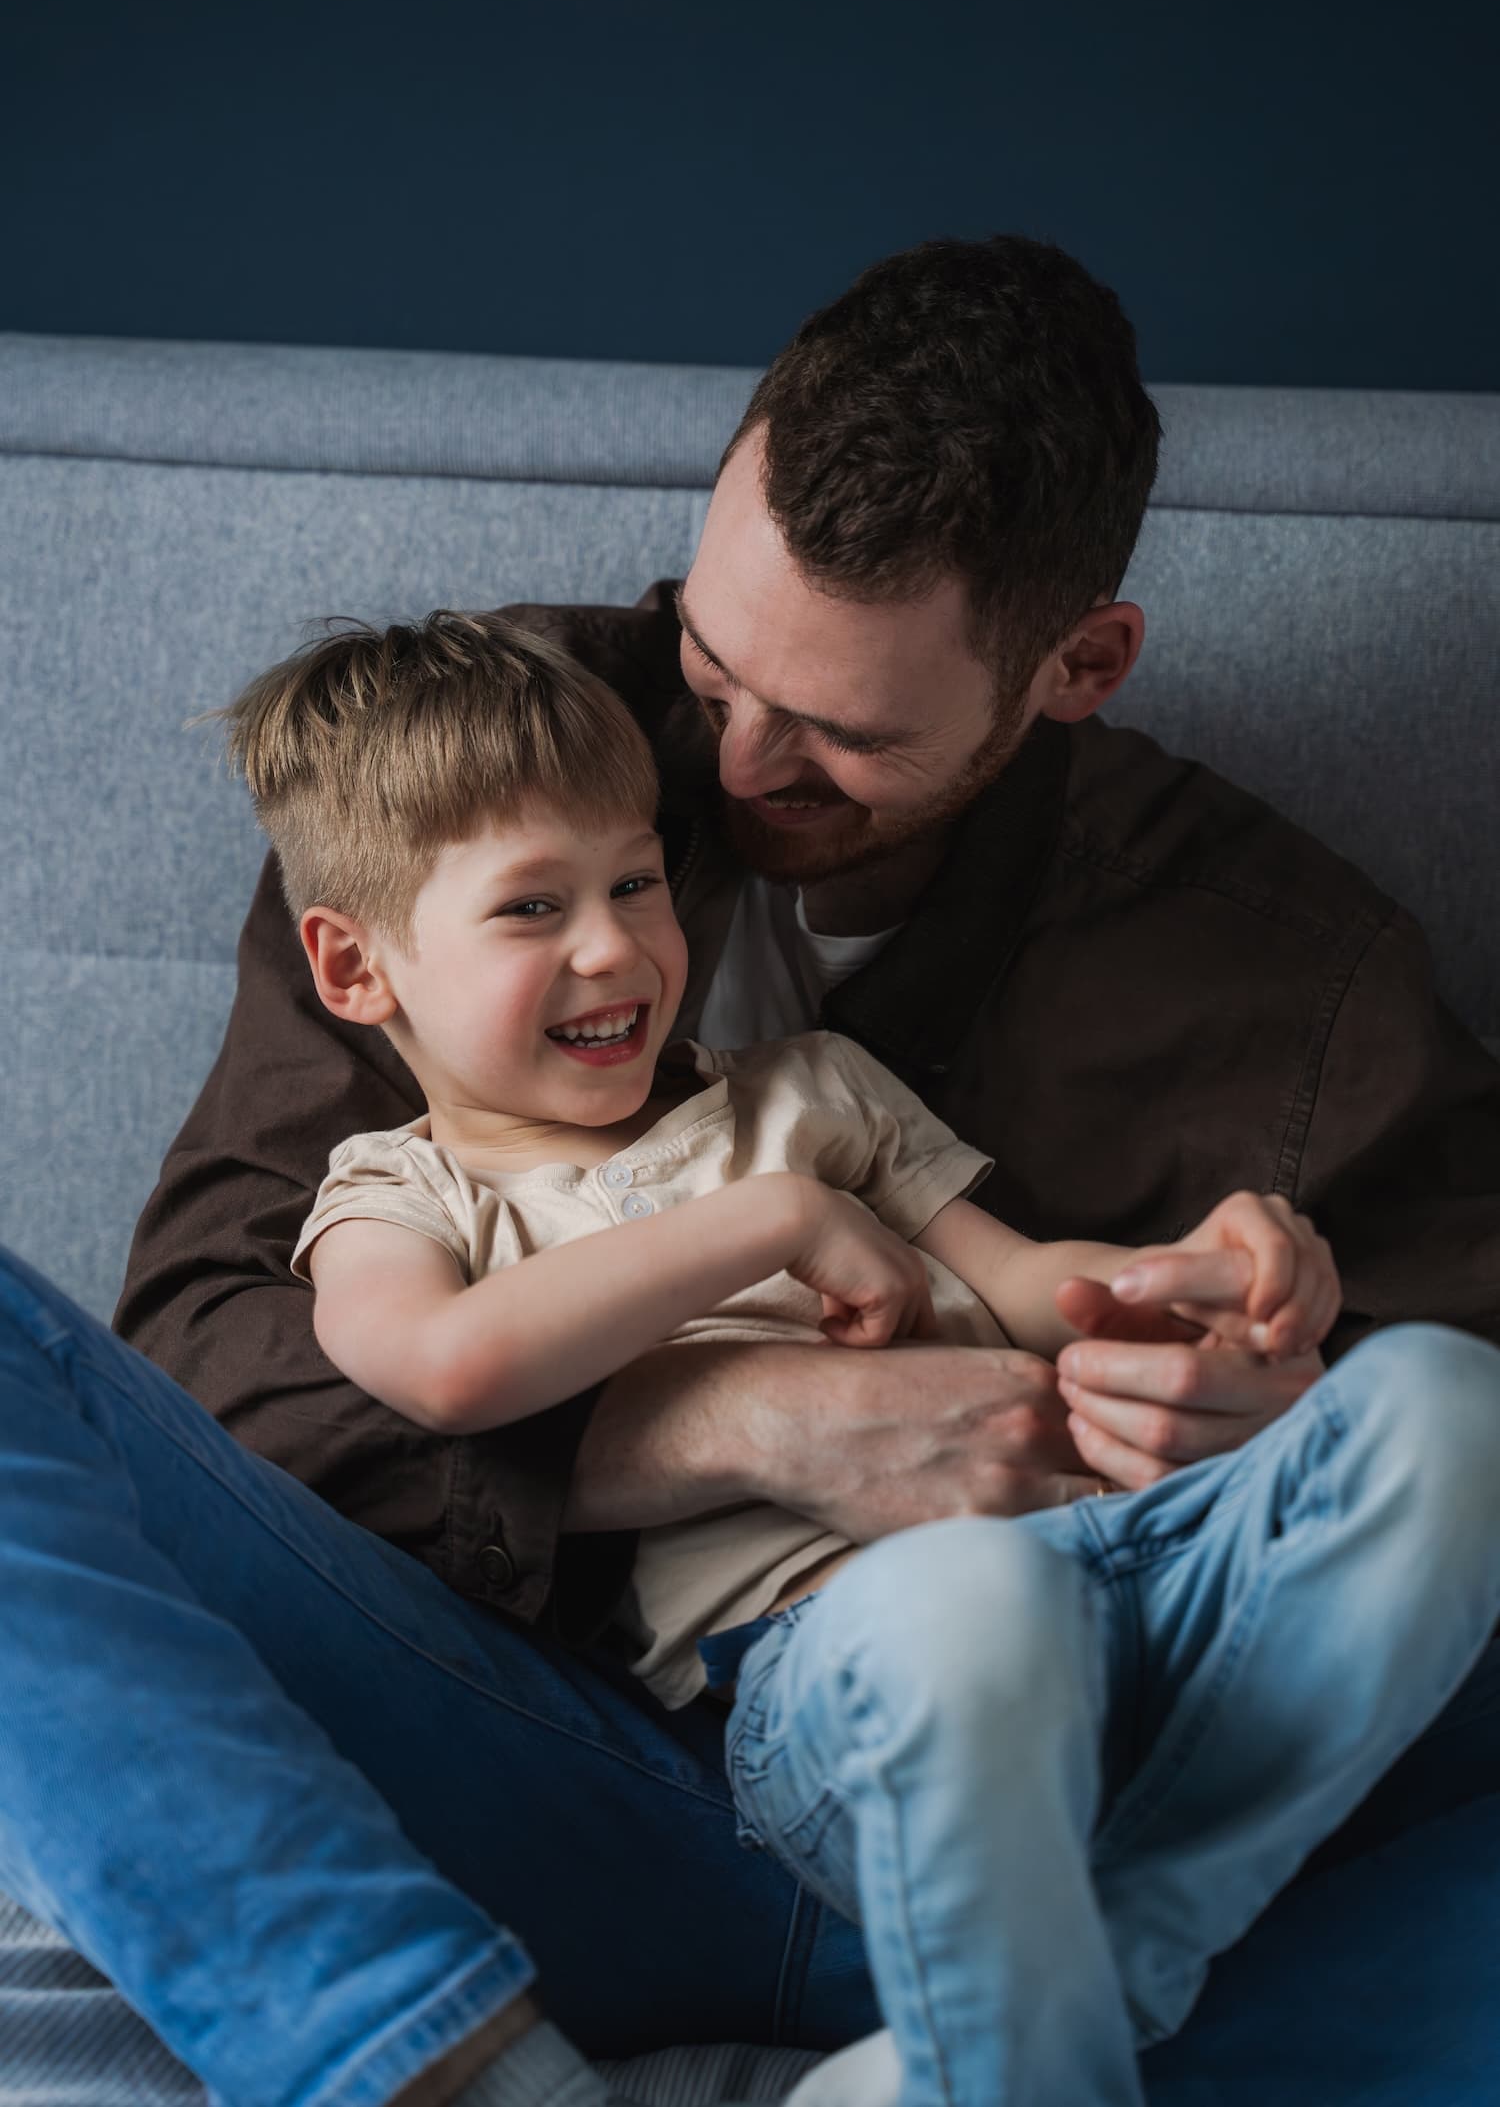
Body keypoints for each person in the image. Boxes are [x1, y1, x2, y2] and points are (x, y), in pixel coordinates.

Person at [2, 232, 1497, 2106]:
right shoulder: (488, 761)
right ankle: (441, 2068)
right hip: (570, 1778)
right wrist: (746, 1414)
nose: (719, 760)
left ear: (1078, 665)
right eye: (713, 659)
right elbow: (220, 1377)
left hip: (1083, 1793)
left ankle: (1030, 2025)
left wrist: (1258, 1359)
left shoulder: (1287, 968)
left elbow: (1394, 1477)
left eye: (841, 733)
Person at [224, 600, 1500, 2107]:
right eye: (530, 907)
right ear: (357, 969)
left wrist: (1205, 1269)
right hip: (838, 1681)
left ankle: (1125, 1957)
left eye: (637, 878)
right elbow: (442, 1368)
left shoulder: (815, 1087)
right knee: (971, 1602)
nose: (616, 942)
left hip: (1122, 1570)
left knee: (1443, 1404)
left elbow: (1030, 1285)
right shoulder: (398, 1193)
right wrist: (764, 1221)